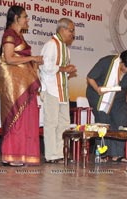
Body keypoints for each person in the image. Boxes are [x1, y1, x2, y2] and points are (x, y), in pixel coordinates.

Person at [0, 6, 43, 166]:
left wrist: (33, 61)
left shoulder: (18, 36)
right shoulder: (9, 34)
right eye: (25, 16)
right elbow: (9, 58)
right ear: (16, 18)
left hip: (24, 84)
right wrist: (32, 58)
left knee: (26, 118)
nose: (27, 19)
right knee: (17, 118)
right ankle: (11, 155)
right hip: (15, 85)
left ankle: (23, 155)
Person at [86, 50, 127, 162]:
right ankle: (102, 154)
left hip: (118, 99)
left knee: (121, 120)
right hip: (99, 95)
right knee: (103, 120)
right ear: (121, 62)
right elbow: (90, 77)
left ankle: (117, 154)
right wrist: (97, 89)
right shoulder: (107, 62)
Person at [40, 18, 77, 164]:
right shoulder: (51, 45)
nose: (73, 34)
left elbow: (63, 71)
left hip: (63, 91)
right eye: (71, 30)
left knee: (64, 123)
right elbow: (44, 66)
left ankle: (60, 153)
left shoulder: (66, 49)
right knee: (51, 123)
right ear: (62, 29)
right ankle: (51, 155)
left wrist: (68, 71)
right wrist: (63, 69)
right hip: (51, 89)